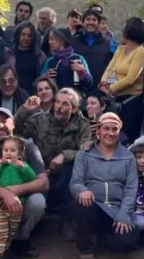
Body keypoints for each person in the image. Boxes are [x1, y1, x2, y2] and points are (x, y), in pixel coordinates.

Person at [0, 108, 49, 259]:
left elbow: (43, 182)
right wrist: (4, 194)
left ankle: (21, 239)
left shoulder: (28, 146)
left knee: (39, 201)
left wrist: (17, 190)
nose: (0, 126)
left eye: (4, 121)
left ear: (13, 124)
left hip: (22, 199)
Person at [18, 87, 90, 238]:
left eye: (65, 104)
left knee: (74, 169)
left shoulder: (83, 125)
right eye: (57, 102)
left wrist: (65, 155)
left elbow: (86, 152)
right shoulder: (40, 120)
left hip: (65, 177)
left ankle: (66, 220)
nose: (58, 107)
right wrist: (24, 110)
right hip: (41, 173)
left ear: (74, 108)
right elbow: (15, 133)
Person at [70, 112, 140, 259]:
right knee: (82, 204)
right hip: (92, 206)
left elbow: (131, 189)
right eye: (106, 129)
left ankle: (99, 234)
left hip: (114, 211)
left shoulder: (128, 157)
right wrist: (83, 190)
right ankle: (86, 249)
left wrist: (123, 214)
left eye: (114, 129)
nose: (110, 133)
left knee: (128, 242)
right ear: (98, 132)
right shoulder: (84, 154)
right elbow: (75, 182)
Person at [99, 17, 144, 140]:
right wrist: (103, 83)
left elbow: (131, 78)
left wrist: (110, 89)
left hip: (131, 101)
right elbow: (110, 69)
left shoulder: (141, 52)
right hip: (115, 99)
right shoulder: (121, 49)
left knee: (128, 137)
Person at [72, 9, 114, 86]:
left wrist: (111, 84)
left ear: (98, 23)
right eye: (88, 19)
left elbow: (114, 65)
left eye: (94, 20)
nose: (91, 22)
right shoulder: (73, 41)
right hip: (78, 88)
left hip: (100, 88)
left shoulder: (108, 42)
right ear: (82, 22)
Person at [10, 21, 46, 94]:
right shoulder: (9, 53)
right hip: (13, 92)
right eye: (23, 35)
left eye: (29, 35)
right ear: (18, 35)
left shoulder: (39, 55)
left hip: (32, 93)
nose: (26, 38)